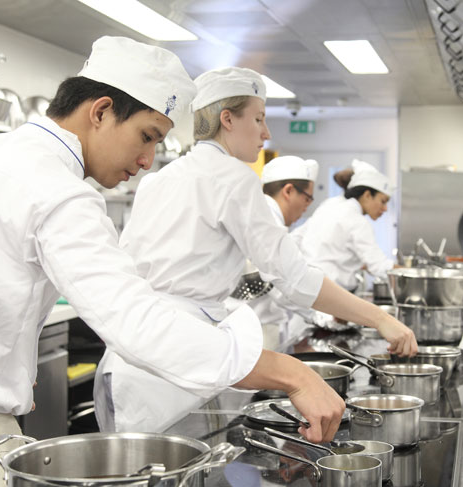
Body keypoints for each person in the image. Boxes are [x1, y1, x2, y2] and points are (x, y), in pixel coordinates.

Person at [0, 37, 306, 487]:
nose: (147, 162)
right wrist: (292, 375)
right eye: (147, 136)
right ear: (100, 111)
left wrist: (6, 368)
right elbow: (136, 321)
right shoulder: (58, 192)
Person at [94, 67, 416, 438]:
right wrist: (380, 319)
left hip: (125, 367)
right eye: (259, 119)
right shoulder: (233, 178)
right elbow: (295, 279)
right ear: (227, 119)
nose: (266, 132)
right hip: (168, 374)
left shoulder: (159, 178)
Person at [246, 155, 319, 349]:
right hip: (255, 332)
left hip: (260, 326)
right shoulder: (267, 222)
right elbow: (287, 288)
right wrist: (321, 314)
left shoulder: (262, 214)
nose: (307, 206)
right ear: (288, 191)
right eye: (307, 198)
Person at [292, 160, 396, 292]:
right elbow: (379, 266)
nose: (385, 209)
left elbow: (298, 236)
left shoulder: (331, 204)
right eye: (383, 201)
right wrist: (411, 272)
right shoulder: (357, 221)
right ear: (367, 195)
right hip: (331, 291)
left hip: (309, 284)